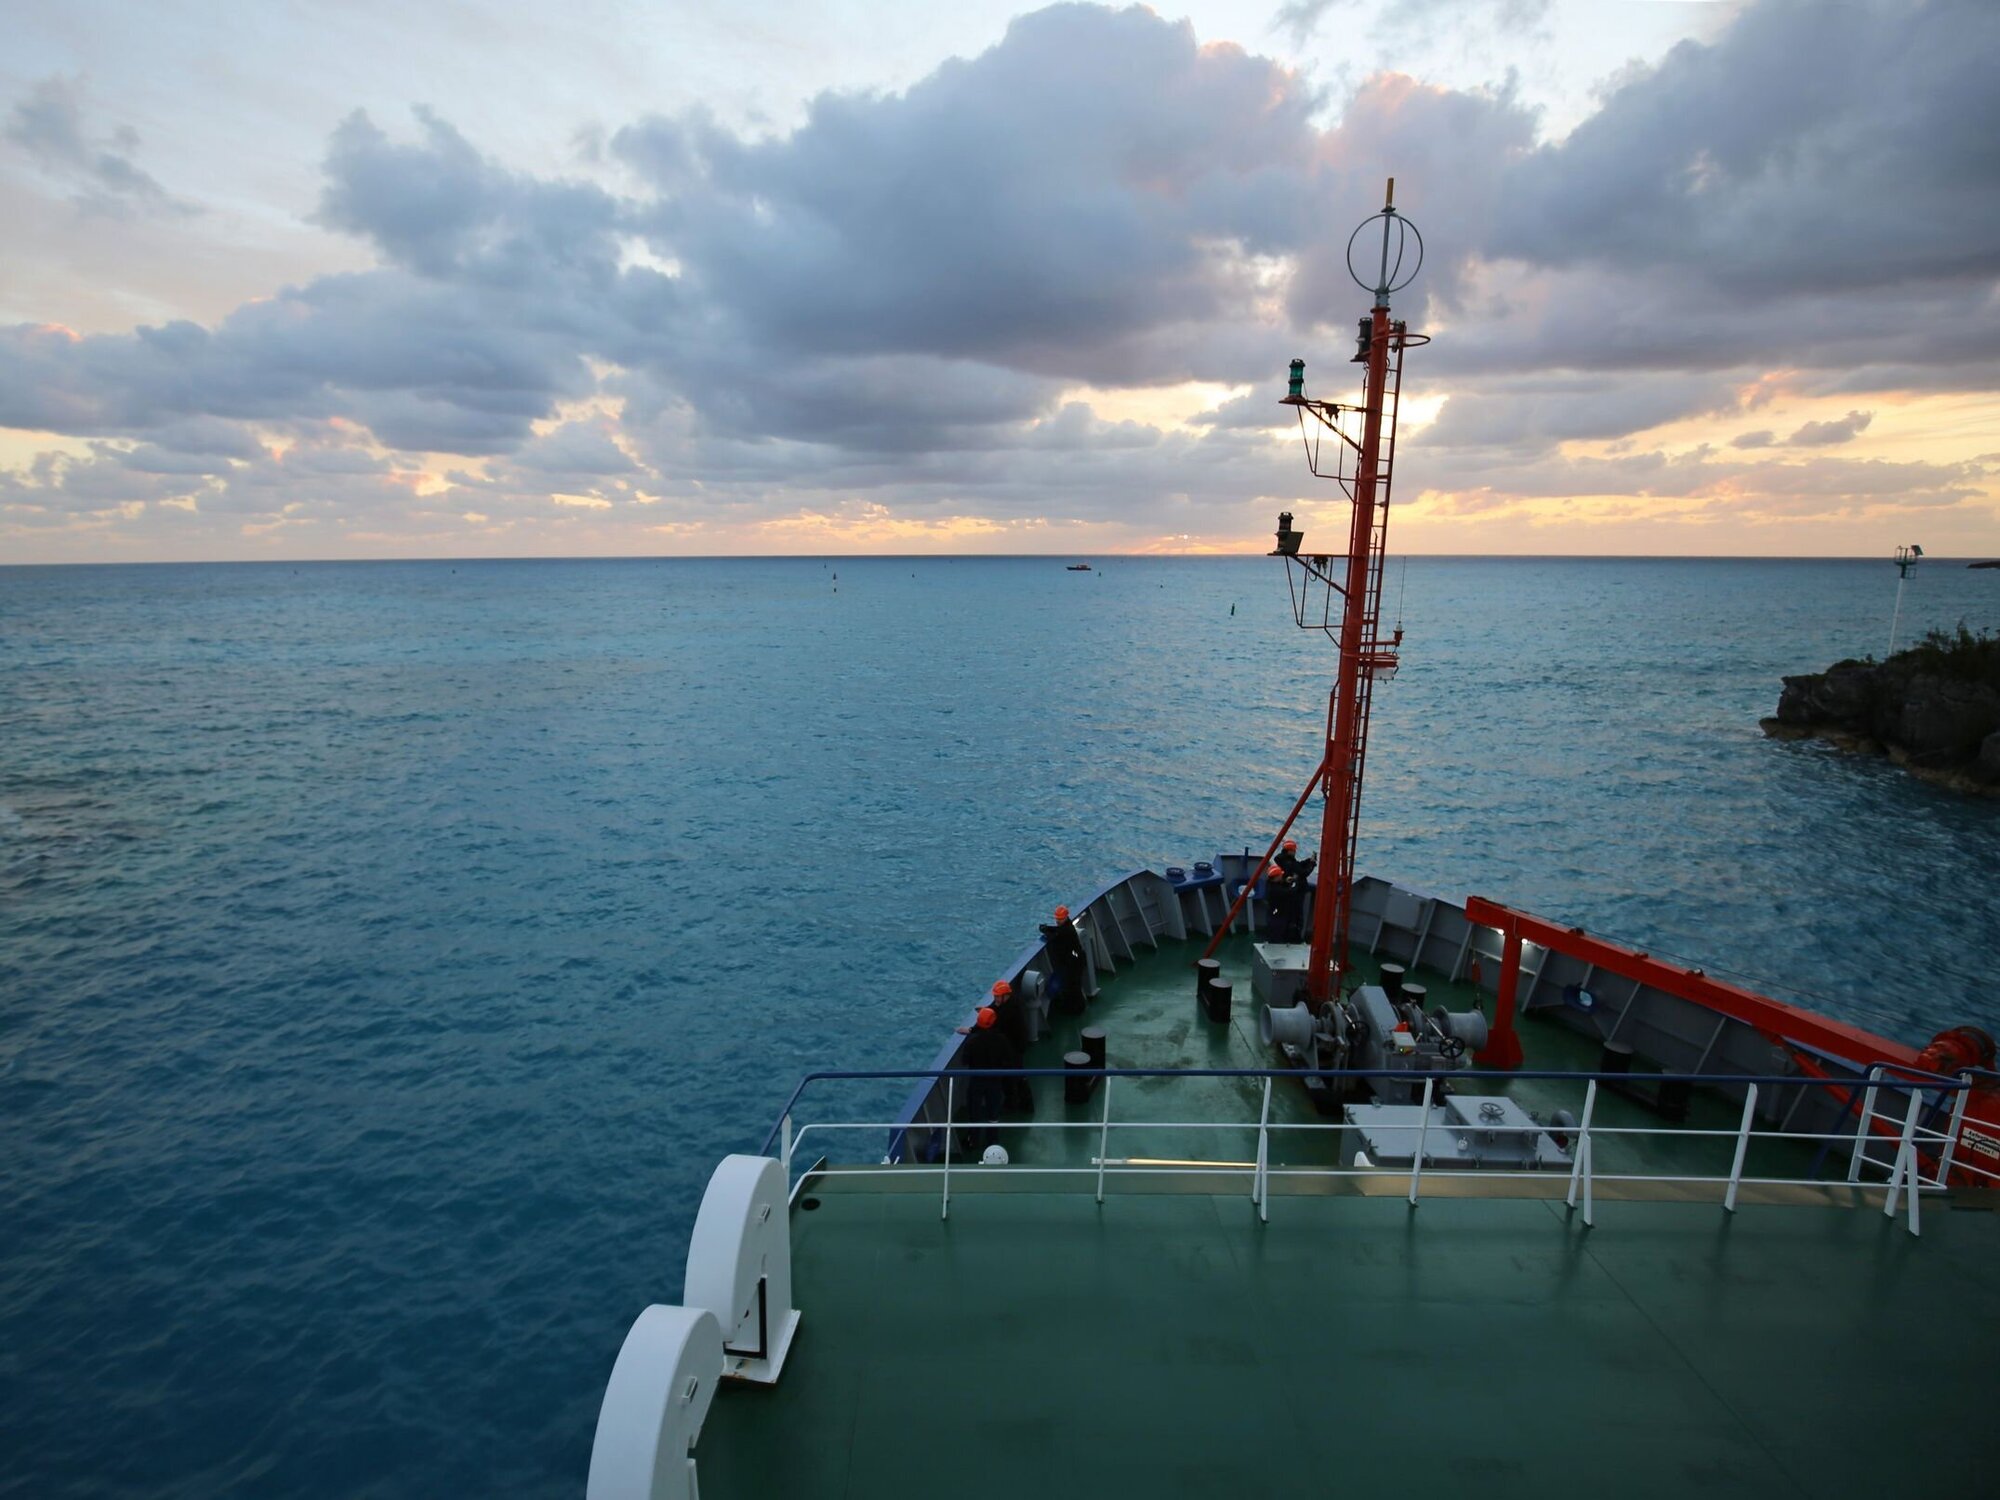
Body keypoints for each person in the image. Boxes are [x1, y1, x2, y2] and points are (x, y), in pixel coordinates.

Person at [956, 1006, 1020, 1153]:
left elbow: (965, 1061)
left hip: (977, 1081)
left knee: (975, 1110)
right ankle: (993, 1140)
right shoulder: (1002, 1040)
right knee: (993, 1111)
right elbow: (1008, 1059)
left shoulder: (973, 1042)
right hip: (995, 1080)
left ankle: (973, 1140)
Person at [1041, 904, 1088, 1014]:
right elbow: (1058, 930)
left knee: (1074, 987)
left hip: (1074, 962)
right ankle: (1075, 1007)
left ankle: (1078, 1009)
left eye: (1060, 919)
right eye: (1057, 919)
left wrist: (1045, 930)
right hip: (1073, 960)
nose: (1058, 921)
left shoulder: (1067, 931)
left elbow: (1055, 936)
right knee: (1072, 986)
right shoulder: (1066, 926)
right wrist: (1047, 928)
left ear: (1066, 917)